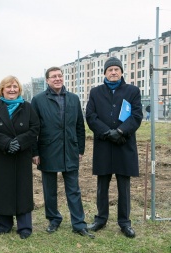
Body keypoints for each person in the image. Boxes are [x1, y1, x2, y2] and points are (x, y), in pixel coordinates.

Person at [31, 66, 94, 239]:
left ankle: (79, 223)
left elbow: (80, 126)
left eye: (60, 76)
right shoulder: (38, 100)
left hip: (70, 150)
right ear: (47, 80)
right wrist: (34, 152)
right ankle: (54, 219)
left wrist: (80, 148)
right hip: (47, 150)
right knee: (49, 189)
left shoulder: (73, 99)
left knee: (73, 189)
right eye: (53, 77)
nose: (57, 79)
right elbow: (33, 129)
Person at [86, 57, 143, 238]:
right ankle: (101, 219)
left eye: (116, 70)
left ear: (121, 72)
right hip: (104, 145)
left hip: (124, 145)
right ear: (104, 73)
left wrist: (119, 131)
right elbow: (91, 116)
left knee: (123, 186)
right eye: (110, 70)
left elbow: (136, 116)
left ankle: (124, 222)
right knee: (102, 185)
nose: (113, 72)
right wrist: (107, 132)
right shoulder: (95, 92)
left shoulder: (132, 91)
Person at [0, 76, 40, 239]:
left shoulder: (27, 107)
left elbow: (35, 128)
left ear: (19, 89)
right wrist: (7, 143)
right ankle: (4, 224)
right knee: (3, 188)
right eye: (8, 87)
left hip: (21, 155)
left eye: (15, 86)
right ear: (2, 89)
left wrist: (19, 142)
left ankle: (25, 226)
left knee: (22, 190)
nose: (12, 89)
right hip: (1, 154)